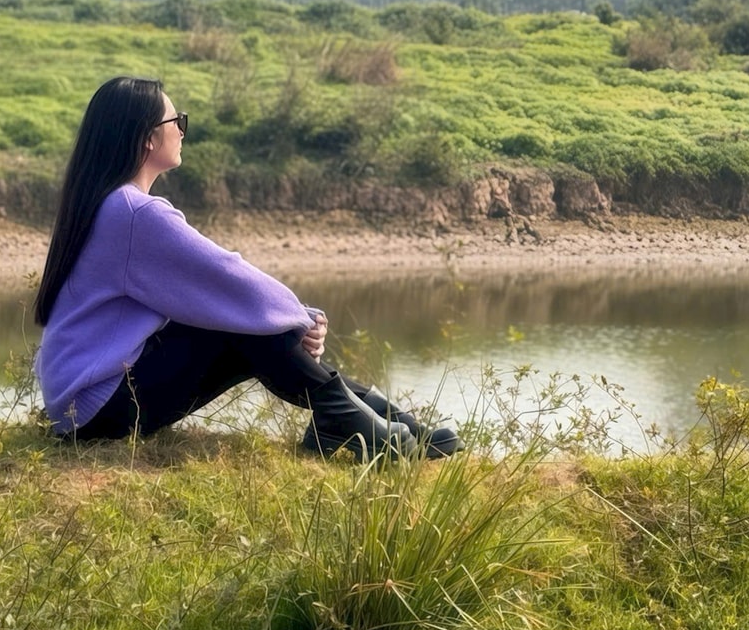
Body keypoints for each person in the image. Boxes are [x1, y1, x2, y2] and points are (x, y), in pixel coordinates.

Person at [33, 75, 457, 459]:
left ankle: (360, 414)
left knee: (242, 316)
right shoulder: (132, 213)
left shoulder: (109, 203)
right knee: (245, 318)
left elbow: (213, 288)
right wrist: (300, 316)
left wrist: (287, 316)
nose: (182, 130)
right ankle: (344, 417)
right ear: (147, 139)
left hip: (83, 406)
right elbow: (226, 276)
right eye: (176, 121)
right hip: (97, 409)